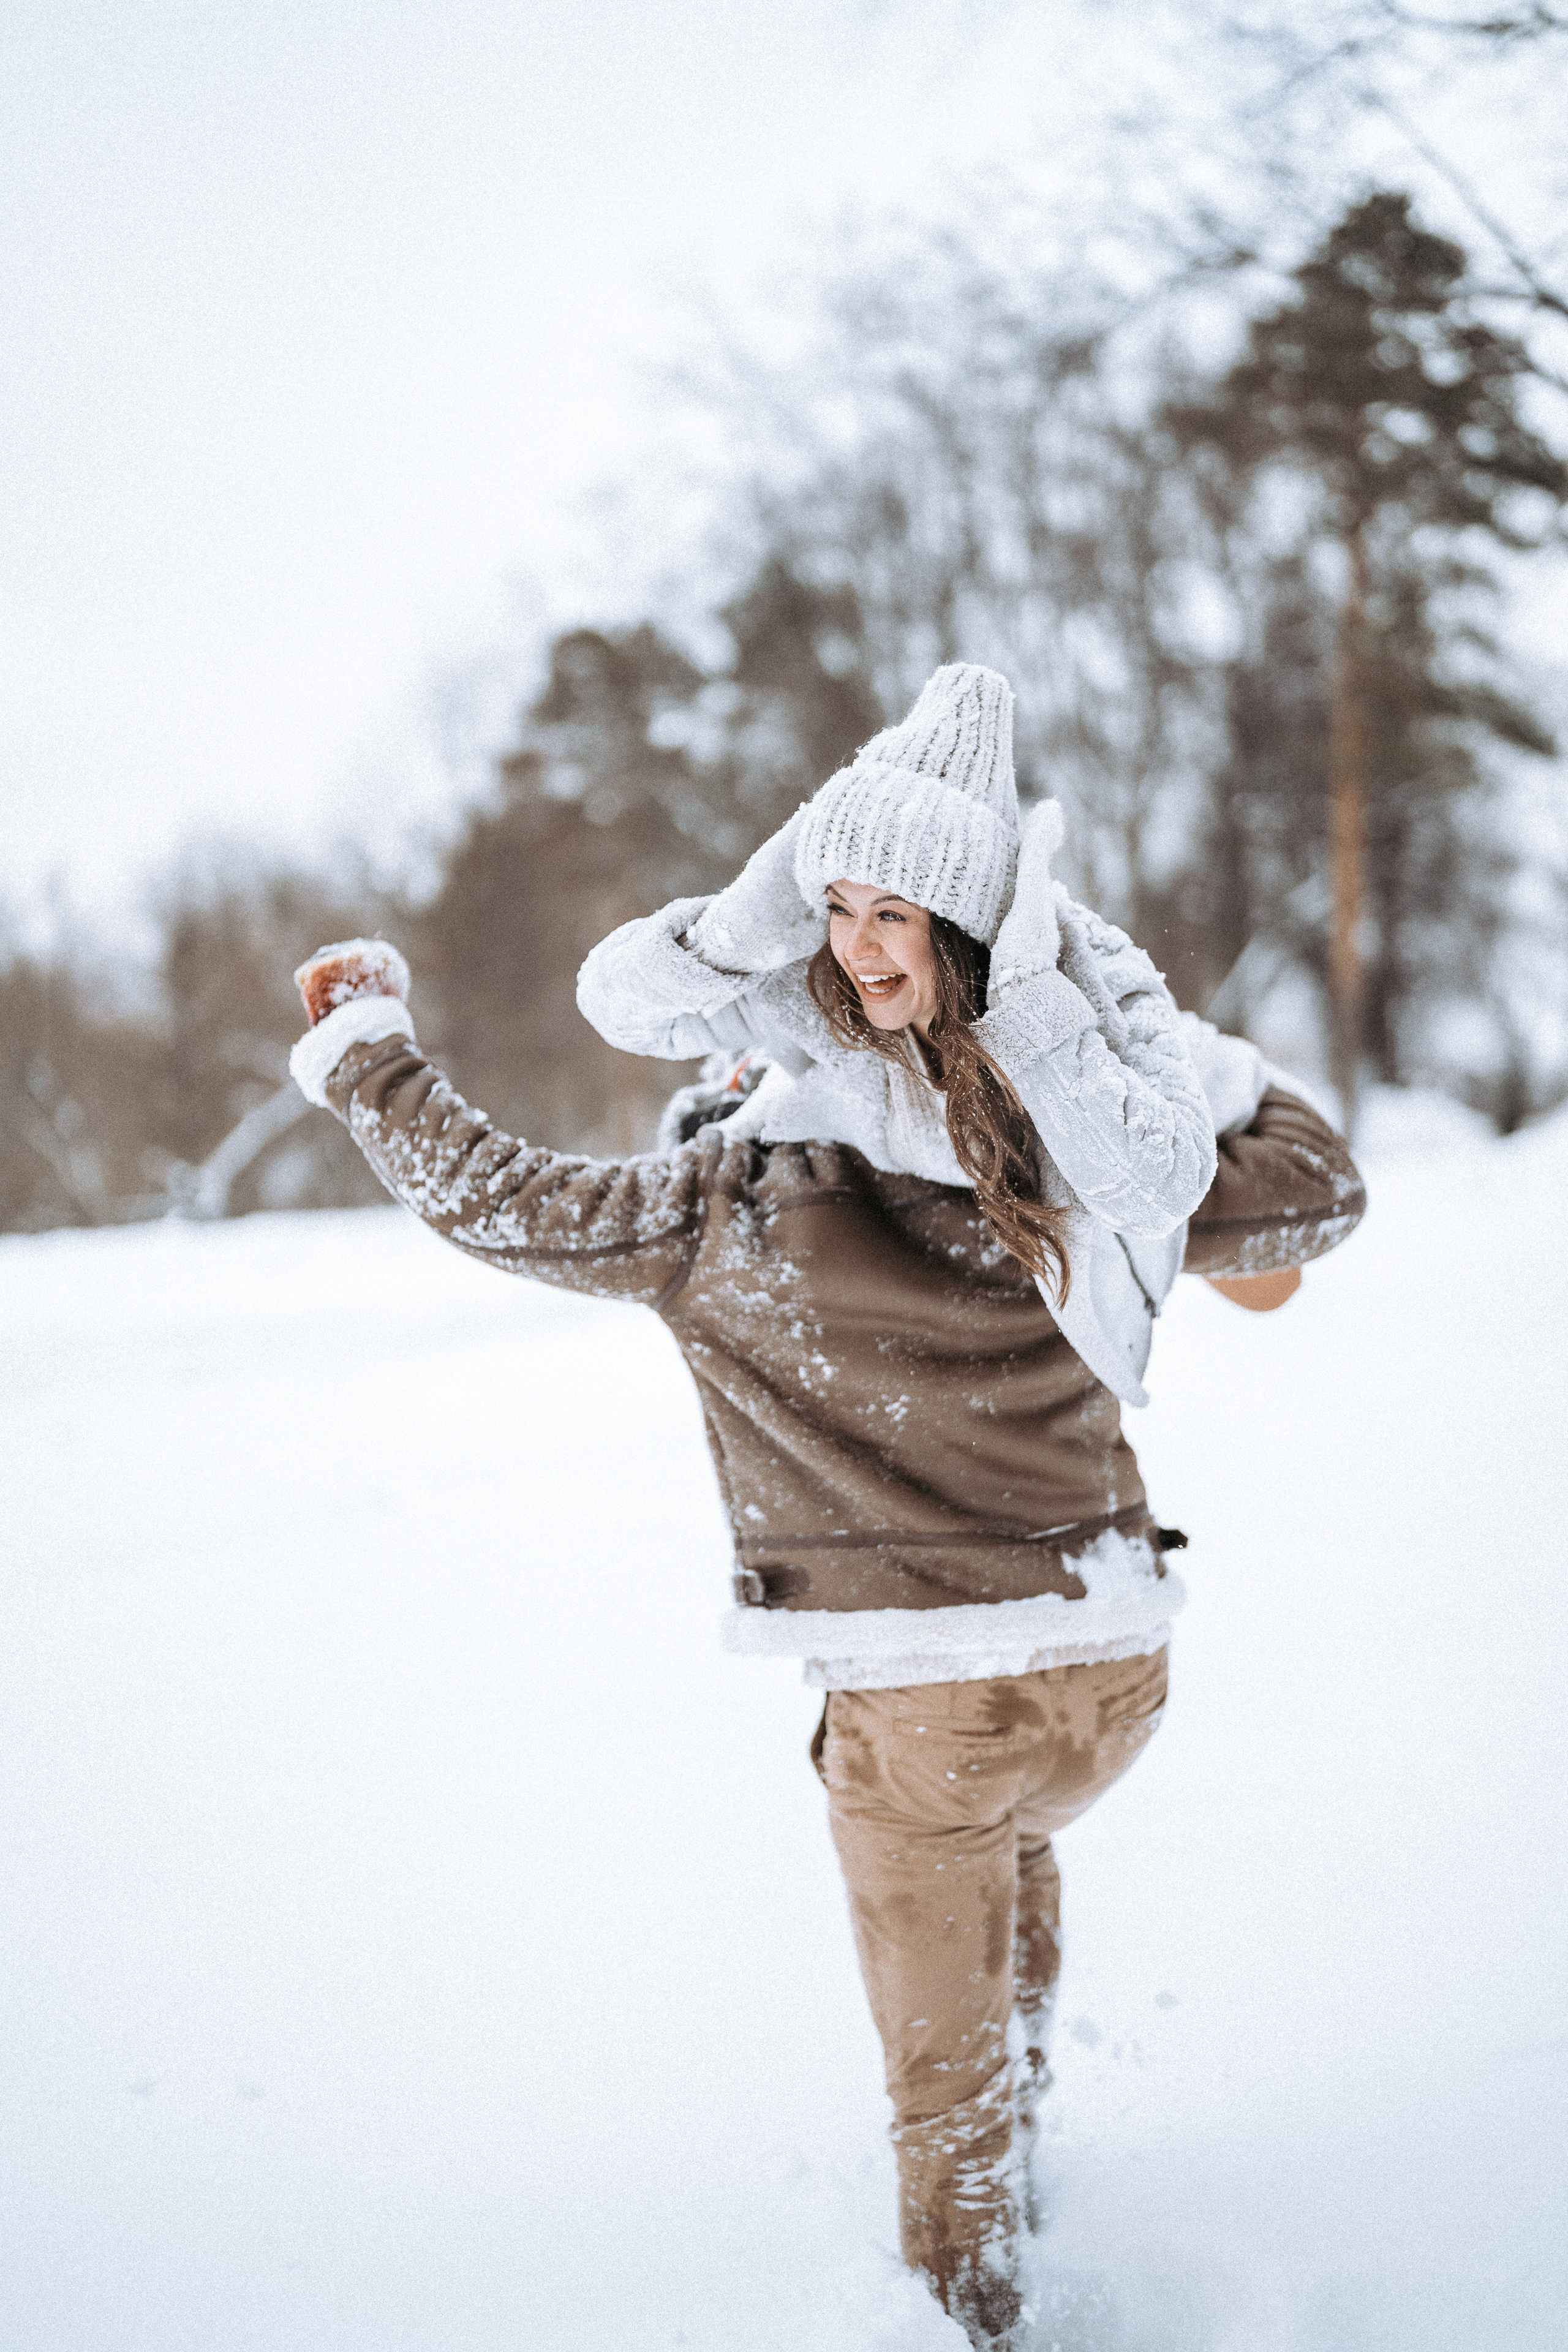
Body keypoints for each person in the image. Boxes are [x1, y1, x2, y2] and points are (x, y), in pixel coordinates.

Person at [288, 664, 1363, 2350]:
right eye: (842, 907)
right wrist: (1177, 1049)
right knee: (1007, 1862)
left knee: (938, 2078)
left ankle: (974, 2303)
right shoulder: (1073, 1161)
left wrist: (368, 1055)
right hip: (1116, 1674)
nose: (860, 942)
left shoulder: (729, 1206)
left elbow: (496, 1199)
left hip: (930, 1702)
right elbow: (1317, 1188)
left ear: (739, 1080)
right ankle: (1031, 2138)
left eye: (895, 910)